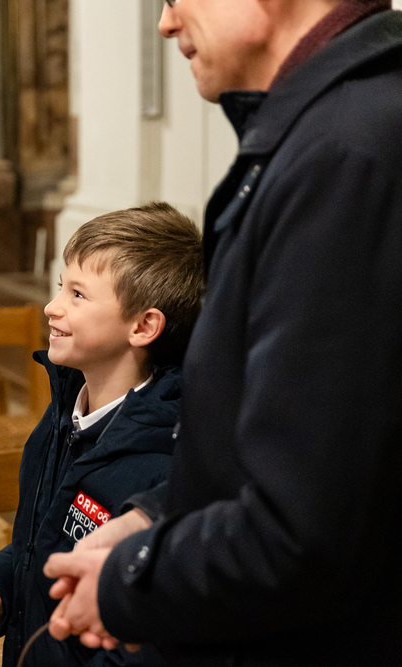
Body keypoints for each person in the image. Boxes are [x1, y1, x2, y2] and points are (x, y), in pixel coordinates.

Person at [43, 1, 402, 665]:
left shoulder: (343, 154)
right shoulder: (333, 128)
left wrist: (131, 580)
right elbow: (291, 442)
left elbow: (307, 528)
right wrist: (153, 517)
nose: (166, 22)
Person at [0, 202, 204, 666]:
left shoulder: (164, 462)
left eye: (78, 294)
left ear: (143, 326)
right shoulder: (64, 413)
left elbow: (143, 644)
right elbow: (44, 543)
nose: (51, 306)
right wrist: (1, 590)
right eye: (61, 286)